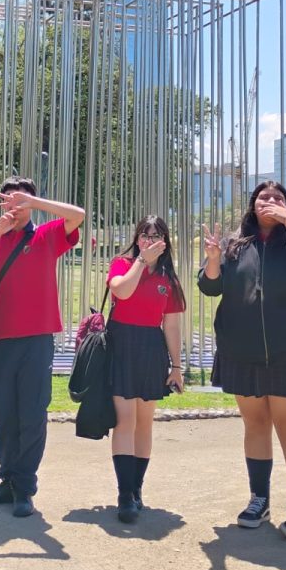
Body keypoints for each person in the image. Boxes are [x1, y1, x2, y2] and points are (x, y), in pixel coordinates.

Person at [198, 181, 286, 541]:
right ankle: (260, 499)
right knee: (255, 424)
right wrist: (212, 262)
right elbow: (211, 287)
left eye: (277, 198)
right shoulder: (235, 244)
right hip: (242, 351)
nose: (269, 202)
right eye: (263, 198)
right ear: (252, 205)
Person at [0, 176, 85, 518]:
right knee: (4, 414)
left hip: (38, 338)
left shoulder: (46, 234)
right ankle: (6, 481)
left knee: (33, 414)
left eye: (19, 201)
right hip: (3, 336)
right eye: (8, 200)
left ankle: (24, 487)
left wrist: (34, 203)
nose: (14, 207)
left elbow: (78, 214)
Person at [105, 215, 186, 523]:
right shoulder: (122, 264)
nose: (150, 240)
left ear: (165, 242)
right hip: (122, 344)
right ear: (137, 238)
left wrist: (176, 366)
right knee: (124, 420)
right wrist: (141, 261)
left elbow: (173, 324)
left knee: (144, 422)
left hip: (152, 349)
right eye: (144, 235)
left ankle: (137, 489)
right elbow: (121, 291)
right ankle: (124, 494)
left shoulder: (170, 279)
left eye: (156, 236)